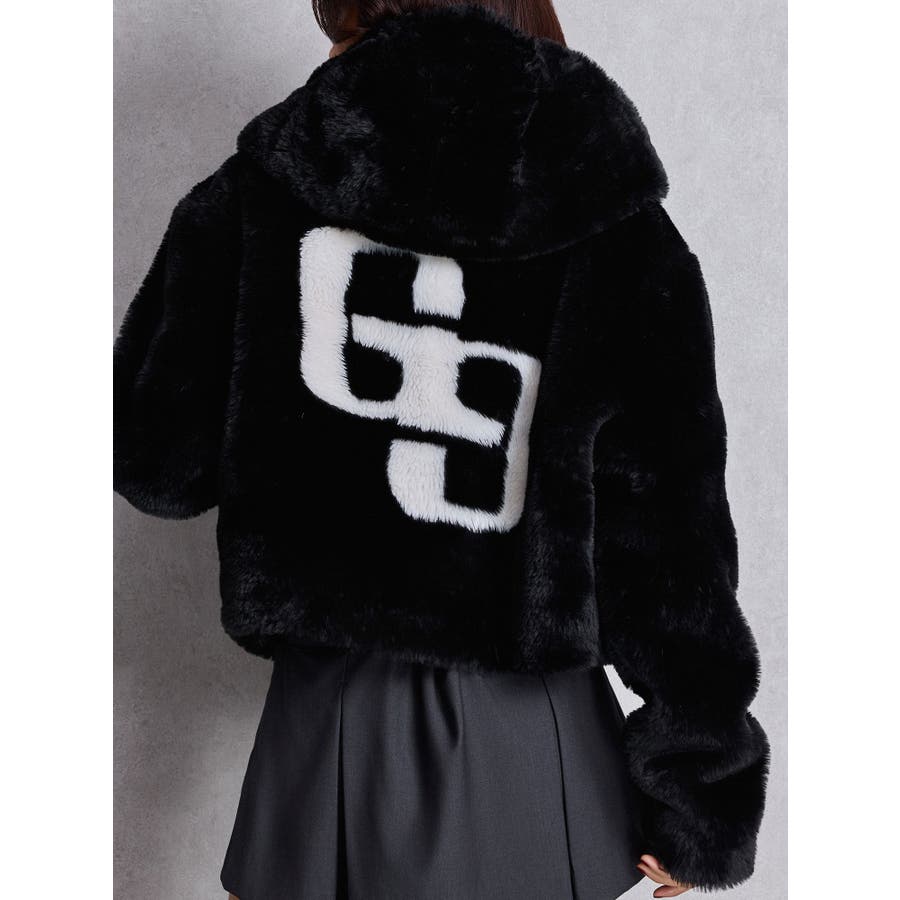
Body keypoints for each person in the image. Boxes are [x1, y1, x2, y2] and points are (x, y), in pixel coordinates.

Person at [113, 1, 769, 897]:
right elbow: (669, 548)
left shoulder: (260, 192)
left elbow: (157, 467)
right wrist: (700, 793)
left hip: (329, 726)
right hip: (533, 743)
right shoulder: (616, 222)